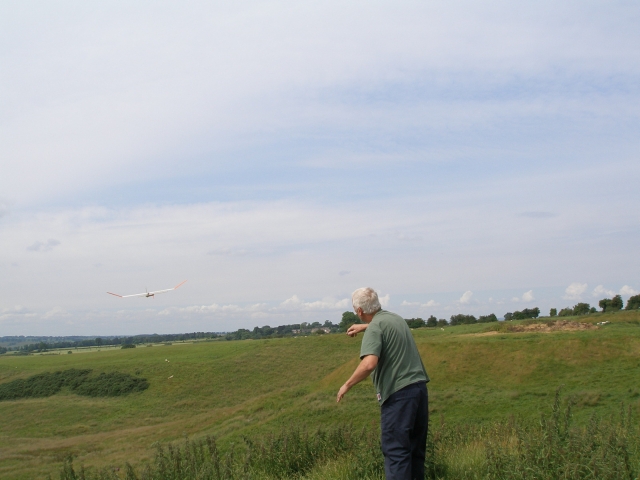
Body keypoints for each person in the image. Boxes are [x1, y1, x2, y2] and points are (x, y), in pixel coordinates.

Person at [336, 287, 430, 480]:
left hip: (398, 395)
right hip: (419, 390)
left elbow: (369, 363)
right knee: (415, 452)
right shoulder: (396, 319)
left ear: (359, 311)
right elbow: (383, 326)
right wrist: (364, 327)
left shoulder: (375, 327)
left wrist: (347, 385)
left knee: (397, 453)